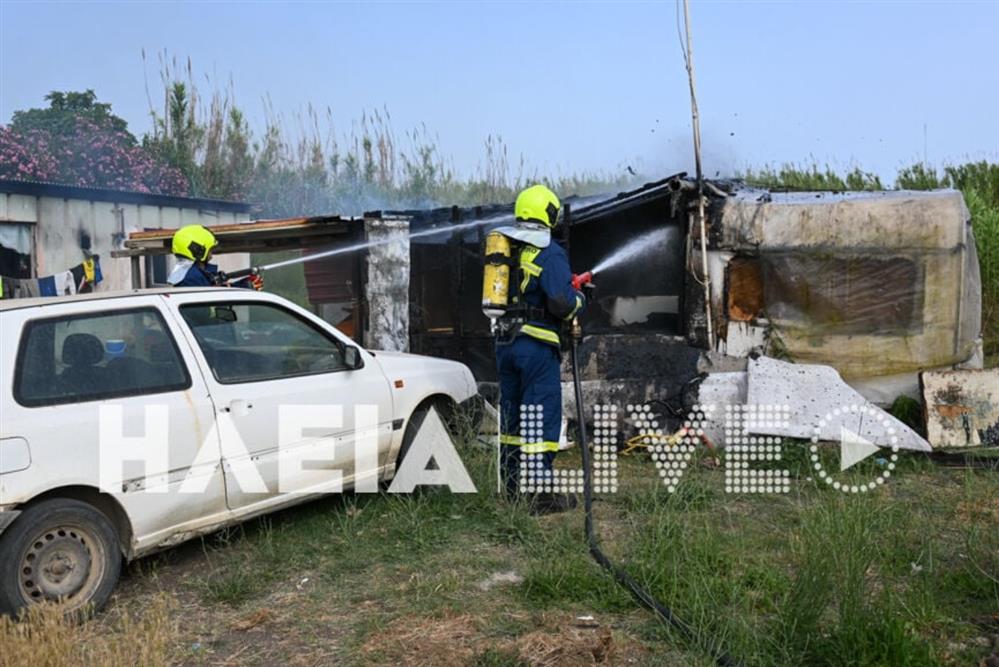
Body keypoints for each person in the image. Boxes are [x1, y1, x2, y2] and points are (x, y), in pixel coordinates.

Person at [494, 184, 588, 515]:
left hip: (505, 345)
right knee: (540, 419)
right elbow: (562, 302)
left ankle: (509, 489)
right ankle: (540, 496)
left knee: (512, 420)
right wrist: (580, 298)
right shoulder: (548, 251)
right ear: (548, 213)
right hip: (535, 348)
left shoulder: (507, 247)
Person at [166, 224, 263, 290]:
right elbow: (211, 303)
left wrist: (244, 285)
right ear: (198, 251)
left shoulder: (186, 274)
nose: (211, 256)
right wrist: (246, 287)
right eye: (210, 250)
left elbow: (214, 290)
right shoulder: (191, 278)